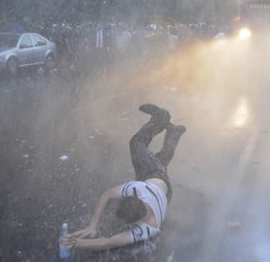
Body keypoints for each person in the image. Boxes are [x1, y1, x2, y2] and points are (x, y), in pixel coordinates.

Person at [62, 104, 186, 252]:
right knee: (158, 161)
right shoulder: (139, 195)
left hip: (159, 186)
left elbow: (109, 242)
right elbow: (106, 196)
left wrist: (76, 243)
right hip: (154, 178)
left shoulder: (148, 223)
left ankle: (161, 119)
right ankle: (172, 132)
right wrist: (92, 226)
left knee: (138, 144)